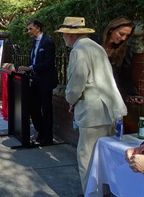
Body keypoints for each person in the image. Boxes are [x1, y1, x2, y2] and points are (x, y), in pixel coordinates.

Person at [55, 16, 128, 195]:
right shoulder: (96, 47)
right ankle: (108, 192)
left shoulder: (79, 50)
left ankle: (92, 194)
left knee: (87, 159)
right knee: (107, 158)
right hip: (110, 110)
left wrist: (71, 100)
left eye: (64, 33)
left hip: (93, 113)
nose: (63, 36)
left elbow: (76, 83)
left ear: (71, 34)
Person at [17, 19, 57, 146]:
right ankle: (41, 132)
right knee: (33, 108)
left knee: (46, 109)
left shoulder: (48, 42)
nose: (28, 31)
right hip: (35, 80)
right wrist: (27, 71)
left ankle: (48, 137)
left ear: (38, 28)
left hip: (45, 81)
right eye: (28, 29)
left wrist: (31, 68)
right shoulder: (34, 43)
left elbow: (49, 63)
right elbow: (33, 61)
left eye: (30, 29)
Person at [101, 17, 144, 104]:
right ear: (111, 30)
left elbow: (125, 76)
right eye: (121, 34)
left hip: (112, 95)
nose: (123, 38)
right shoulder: (94, 43)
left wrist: (133, 94)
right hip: (92, 95)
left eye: (127, 36)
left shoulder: (125, 50)